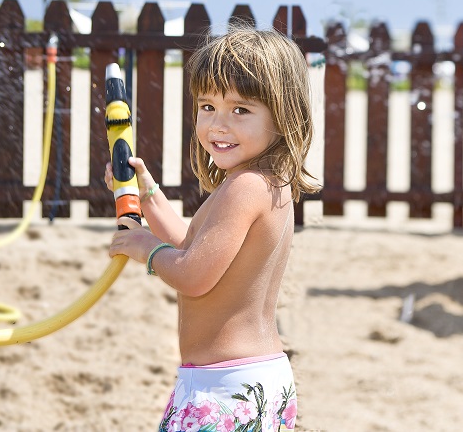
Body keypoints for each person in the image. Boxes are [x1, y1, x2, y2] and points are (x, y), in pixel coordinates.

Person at [106, 27, 319, 431]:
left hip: (224, 388)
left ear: (283, 115)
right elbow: (189, 247)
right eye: (208, 107)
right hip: (258, 381)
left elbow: (194, 274)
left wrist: (145, 248)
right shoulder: (264, 183)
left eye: (241, 110)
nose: (218, 125)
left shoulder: (245, 188)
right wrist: (147, 194)